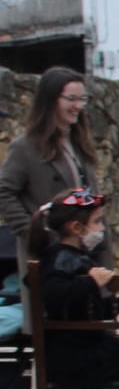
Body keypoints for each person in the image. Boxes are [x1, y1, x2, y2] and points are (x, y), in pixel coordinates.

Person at [28, 189, 119, 389]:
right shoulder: (59, 258)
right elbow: (54, 295)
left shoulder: (74, 257)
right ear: (77, 228)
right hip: (69, 356)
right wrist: (91, 283)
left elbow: (85, 310)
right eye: (97, 222)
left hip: (83, 347)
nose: (101, 229)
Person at [0, 68, 112, 267]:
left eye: (82, 99)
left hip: (88, 255)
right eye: (71, 99)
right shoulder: (25, 148)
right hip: (50, 262)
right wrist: (34, 232)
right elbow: (4, 193)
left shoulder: (80, 145)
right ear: (50, 100)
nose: (78, 106)